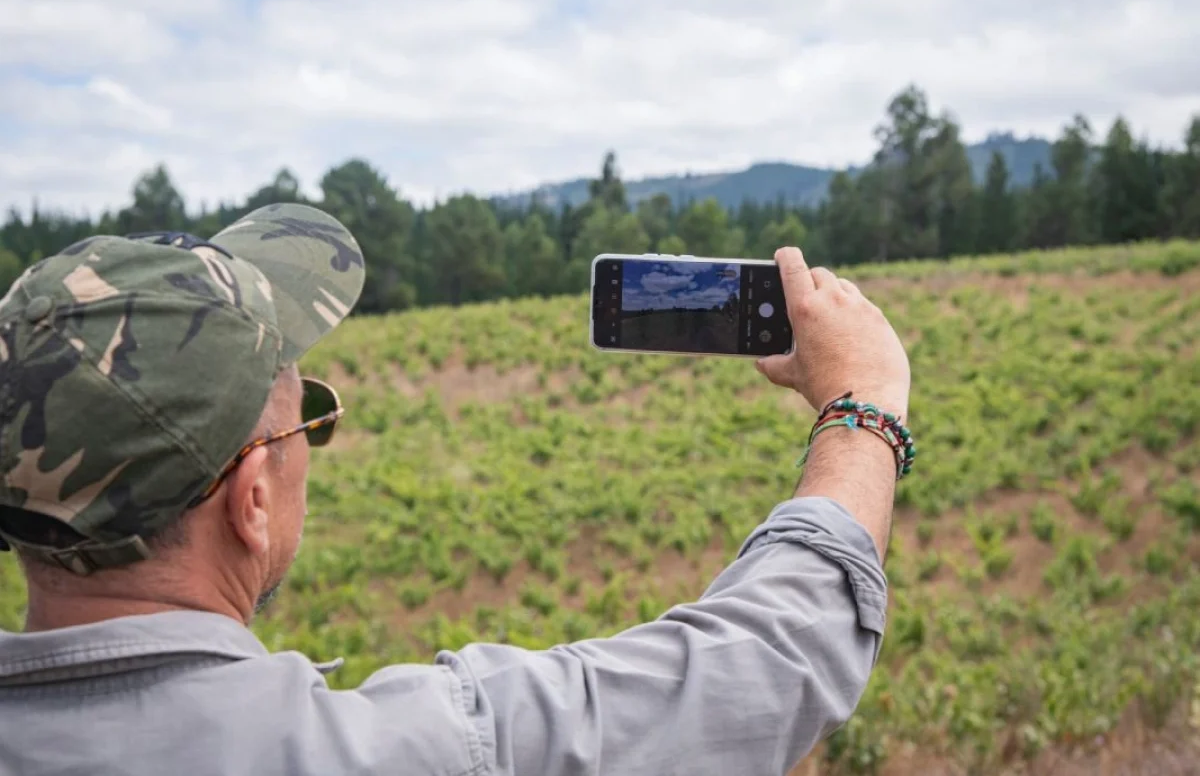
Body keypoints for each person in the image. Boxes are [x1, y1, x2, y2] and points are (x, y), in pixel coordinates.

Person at [0, 203, 910, 776]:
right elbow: (764, 665)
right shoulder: (429, 752)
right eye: (304, 416)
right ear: (252, 500)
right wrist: (862, 405)